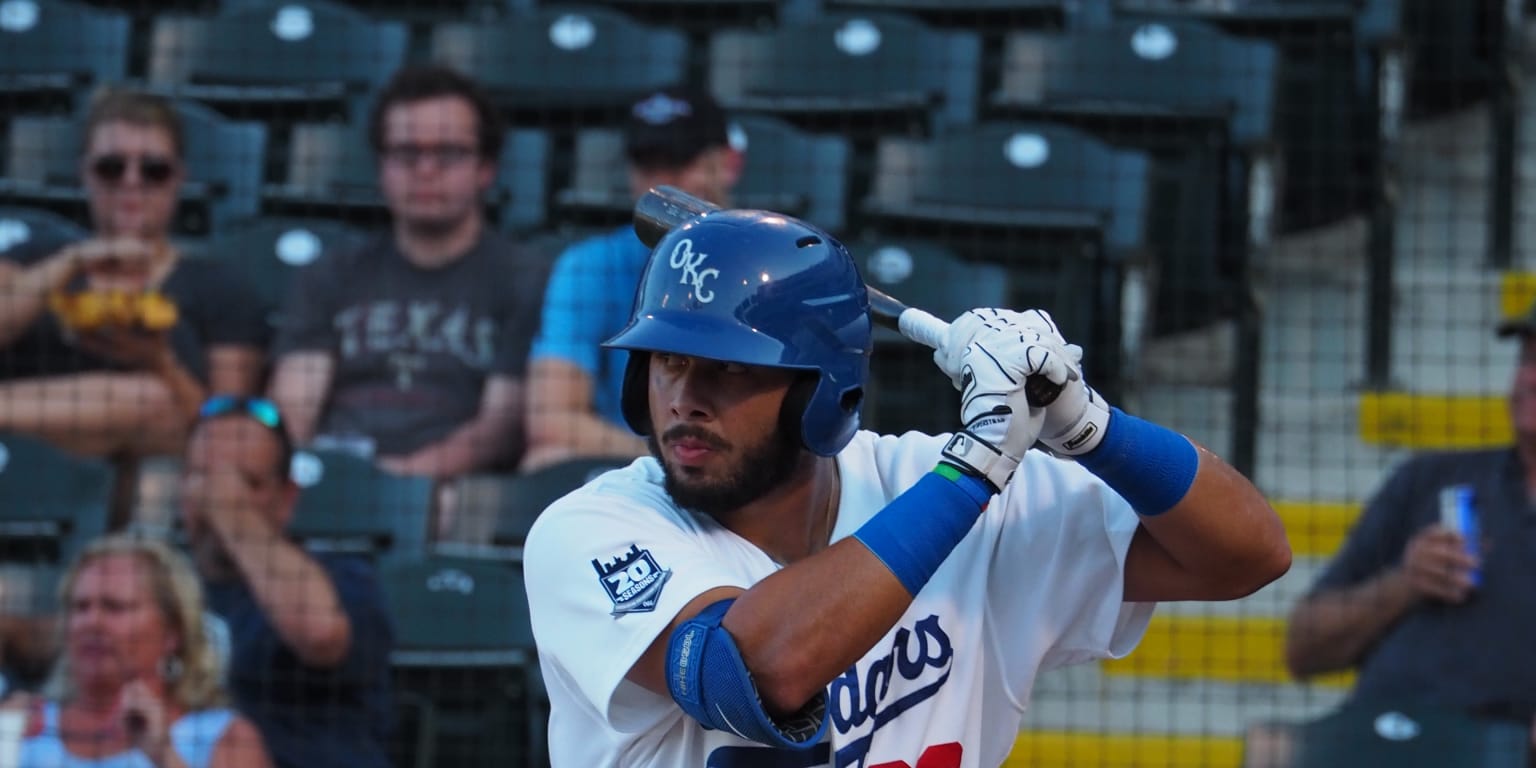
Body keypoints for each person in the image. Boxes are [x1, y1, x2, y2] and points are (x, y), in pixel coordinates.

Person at [522, 210, 1291, 766]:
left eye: (727, 368)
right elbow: (753, 670)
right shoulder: (592, 528)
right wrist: (976, 468)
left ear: (819, 391)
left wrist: (1089, 424)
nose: (685, 397)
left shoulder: (922, 485)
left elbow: (1247, 554)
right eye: (666, 362)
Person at [270, 64, 546, 478]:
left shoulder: (526, 278)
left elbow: (499, 427)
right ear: (382, 166)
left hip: (454, 492)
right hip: (330, 480)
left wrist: (399, 485)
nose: (426, 170)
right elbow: (293, 411)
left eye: (448, 153)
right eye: (406, 153)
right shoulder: (329, 275)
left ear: (485, 168)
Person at [1285, 301, 1536, 741]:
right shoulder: (1431, 480)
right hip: (1382, 737)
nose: (1529, 379)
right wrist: (1406, 583)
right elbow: (1303, 646)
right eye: (1528, 359)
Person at [0, 87, 271, 457]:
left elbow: (227, 435)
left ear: (179, 179)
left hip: (147, 475)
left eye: (154, 170)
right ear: (85, 174)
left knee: (153, 398)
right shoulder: (33, 259)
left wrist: (158, 361)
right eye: (111, 167)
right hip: (17, 464)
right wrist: (72, 262)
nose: (132, 181)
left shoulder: (221, 288)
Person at [520, 86, 743, 471]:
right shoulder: (591, 265)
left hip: (740, 469)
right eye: (646, 167)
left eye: (676, 163)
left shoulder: (773, 265)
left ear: (727, 164)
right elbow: (552, 422)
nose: (660, 186)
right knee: (545, 459)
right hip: (638, 468)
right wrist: (667, 462)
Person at [179, 395, 393, 768]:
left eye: (247, 482)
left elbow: (320, 634)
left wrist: (235, 517)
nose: (219, 495)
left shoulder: (345, 578)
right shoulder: (161, 583)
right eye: (203, 477)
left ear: (286, 497)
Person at [17, 533, 270, 767]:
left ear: (172, 632)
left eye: (114, 607)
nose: (91, 622)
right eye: (80, 607)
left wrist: (164, 755)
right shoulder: (24, 725)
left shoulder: (222, 738)